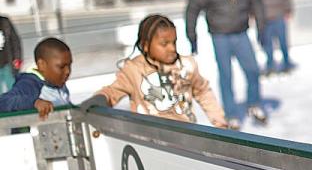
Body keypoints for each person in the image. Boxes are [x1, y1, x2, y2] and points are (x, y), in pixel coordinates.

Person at [79, 15, 227, 129]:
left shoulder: (186, 65)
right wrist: (99, 99)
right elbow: (113, 91)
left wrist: (220, 123)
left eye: (174, 42)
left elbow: (203, 91)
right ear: (145, 45)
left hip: (186, 136)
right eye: (164, 44)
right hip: (150, 140)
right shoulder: (134, 69)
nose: (172, 49)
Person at [186, 0, 268, 129]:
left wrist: (262, 29)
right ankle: (231, 114)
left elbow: (257, 4)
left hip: (241, 33)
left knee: (253, 70)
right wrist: (192, 36)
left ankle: (254, 105)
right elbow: (192, 9)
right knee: (226, 74)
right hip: (220, 36)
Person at [0, 38, 72, 120]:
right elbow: (4, 101)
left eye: (69, 65)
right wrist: (34, 103)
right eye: (61, 67)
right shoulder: (30, 83)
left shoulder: (59, 85)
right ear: (42, 65)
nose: (67, 71)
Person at [253, 0, 296, 75]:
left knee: (283, 42)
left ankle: (286, 63)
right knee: (267, 44)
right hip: (264, 18)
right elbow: (252, 0)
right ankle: (270, 65)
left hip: (278, 15)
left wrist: (288, 10)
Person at [0, 15, 23, 93]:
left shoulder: (4, 21)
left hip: (7, 64)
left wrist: (17, 59)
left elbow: (15, 41)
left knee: (14, 90)